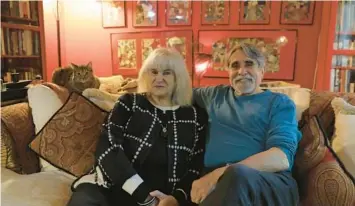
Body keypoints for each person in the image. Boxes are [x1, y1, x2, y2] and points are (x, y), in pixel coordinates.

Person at [67, 48, 208, 206]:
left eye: (167, 73)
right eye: (153, 72)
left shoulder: (195, 117)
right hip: (114, 186)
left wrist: (176, 198)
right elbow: (108, 149)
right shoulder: (129, 103)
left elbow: (195, 168)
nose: (158, 78)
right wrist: (144, 196)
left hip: (166, 198)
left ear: (178, 78)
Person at [191, 43, 301, 206]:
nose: (242, 71)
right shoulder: (215, 95)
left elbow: (281, 158)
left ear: (262, 70)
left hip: (268, 181)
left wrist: (221, 173)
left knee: (237, 175)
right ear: (228, 72)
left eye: (249, 64)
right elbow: (176, 92)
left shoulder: (279, 103)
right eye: (235, 65)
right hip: (221, 183)